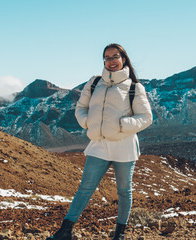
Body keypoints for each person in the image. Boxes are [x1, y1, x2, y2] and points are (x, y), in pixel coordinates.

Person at [47, 43, 153, 240]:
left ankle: (119, 234)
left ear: (123, 58)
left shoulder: (134, 87)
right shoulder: (95, 83)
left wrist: (122, 125)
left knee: (123, 191)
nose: (111, 61)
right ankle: (65, 231)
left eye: (115, 56)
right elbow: (81, 107)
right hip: (99, 145)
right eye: (107, 57)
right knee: (85, 188)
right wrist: (88, 123)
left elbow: (146, 117)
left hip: (124, 146)